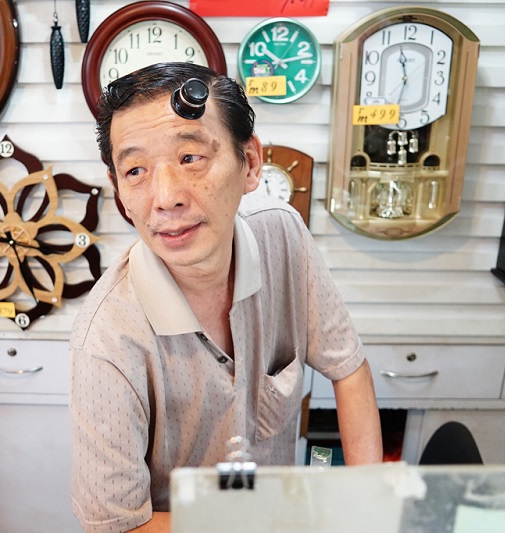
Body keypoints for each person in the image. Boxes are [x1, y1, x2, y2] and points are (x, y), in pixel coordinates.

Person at [69, 62, 382, 533]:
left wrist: (366, 506)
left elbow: (349, 369)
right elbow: (117, 527)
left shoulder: (283, 236)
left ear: (250, 164)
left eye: (191, 157)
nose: (166, 197)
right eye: (135, 170)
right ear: (121, 195)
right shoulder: (106, 342)